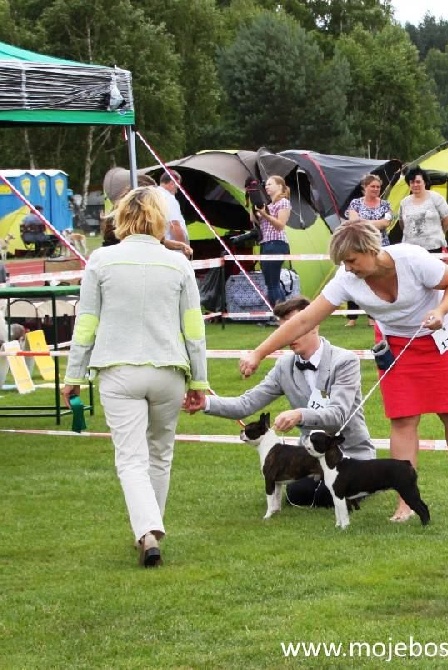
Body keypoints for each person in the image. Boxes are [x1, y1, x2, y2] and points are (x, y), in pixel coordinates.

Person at [239, 222, 448, 521]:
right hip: (396, 347)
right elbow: (304, 320)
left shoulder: (411, 258)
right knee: (403, 419)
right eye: (343, 262)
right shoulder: (346, 278)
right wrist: (259, 352)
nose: (348, 268)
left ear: (370, 250)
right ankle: (404, 503)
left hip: (438, 338)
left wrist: (440, 310)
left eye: (352, 260)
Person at [62, 186, 208, 567]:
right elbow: (194, 329)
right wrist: (199, 381)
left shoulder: (101, 260)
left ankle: (146, 532)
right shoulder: (178, 264)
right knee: (160, 454)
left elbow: (86, 323)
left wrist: (73, 373)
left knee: (130, 459)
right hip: (169, 372)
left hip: (119, 371)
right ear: (160, 218)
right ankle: (150, 531)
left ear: (120, 217)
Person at [185, 295, 375, 507]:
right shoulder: (284, 367)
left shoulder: (345, 361)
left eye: (295, 327)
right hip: (311, 460)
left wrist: (300, 414)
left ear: (315, 324)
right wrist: (205, 403)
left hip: (350, 455)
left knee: (327, 494)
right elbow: (245, 404)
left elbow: (337, 416)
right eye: (284, 330)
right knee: (297, 495)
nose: (289, 336)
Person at [344, 174, 393, 327]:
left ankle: (373, 316)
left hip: (380, 247)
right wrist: (374, 223)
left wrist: (363, 222)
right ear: (364, 187)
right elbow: (353, 222)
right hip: (358, 247)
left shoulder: (385, 204)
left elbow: (386, 223)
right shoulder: (355, 203)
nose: (376, 189)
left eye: (378, 187)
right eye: (372, 186)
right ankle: (352, 317)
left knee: (376, 280)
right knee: (354, 278)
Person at [253, 175, 291, 307]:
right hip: (266, 244)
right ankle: (279, 312)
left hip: (276, 243)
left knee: (273, 283)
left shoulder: (284, 203)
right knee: (270, 283)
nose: (267, 187)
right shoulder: (268, 205)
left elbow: (280, 225)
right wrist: (252, 204)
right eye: (266, 184)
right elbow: (255, 221)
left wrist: (264, 214)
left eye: (270, 184)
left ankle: (282, 313)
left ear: (280, 186)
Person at [399, 167, 448, 253]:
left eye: (418, 182)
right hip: (410, 248)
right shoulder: (404, 202)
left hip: (433, 247)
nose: (415, 185)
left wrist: (439, 233)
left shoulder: (436, 197)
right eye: (412, 182)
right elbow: (402, 223)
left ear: (424, 182)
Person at [157, 170, 193, 257]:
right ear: (172, 183)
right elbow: (175, 226)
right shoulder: (169, 198)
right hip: (172, 251)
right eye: (177, 187)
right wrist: (184, 249)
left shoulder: (153, 195)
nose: (176, 191)